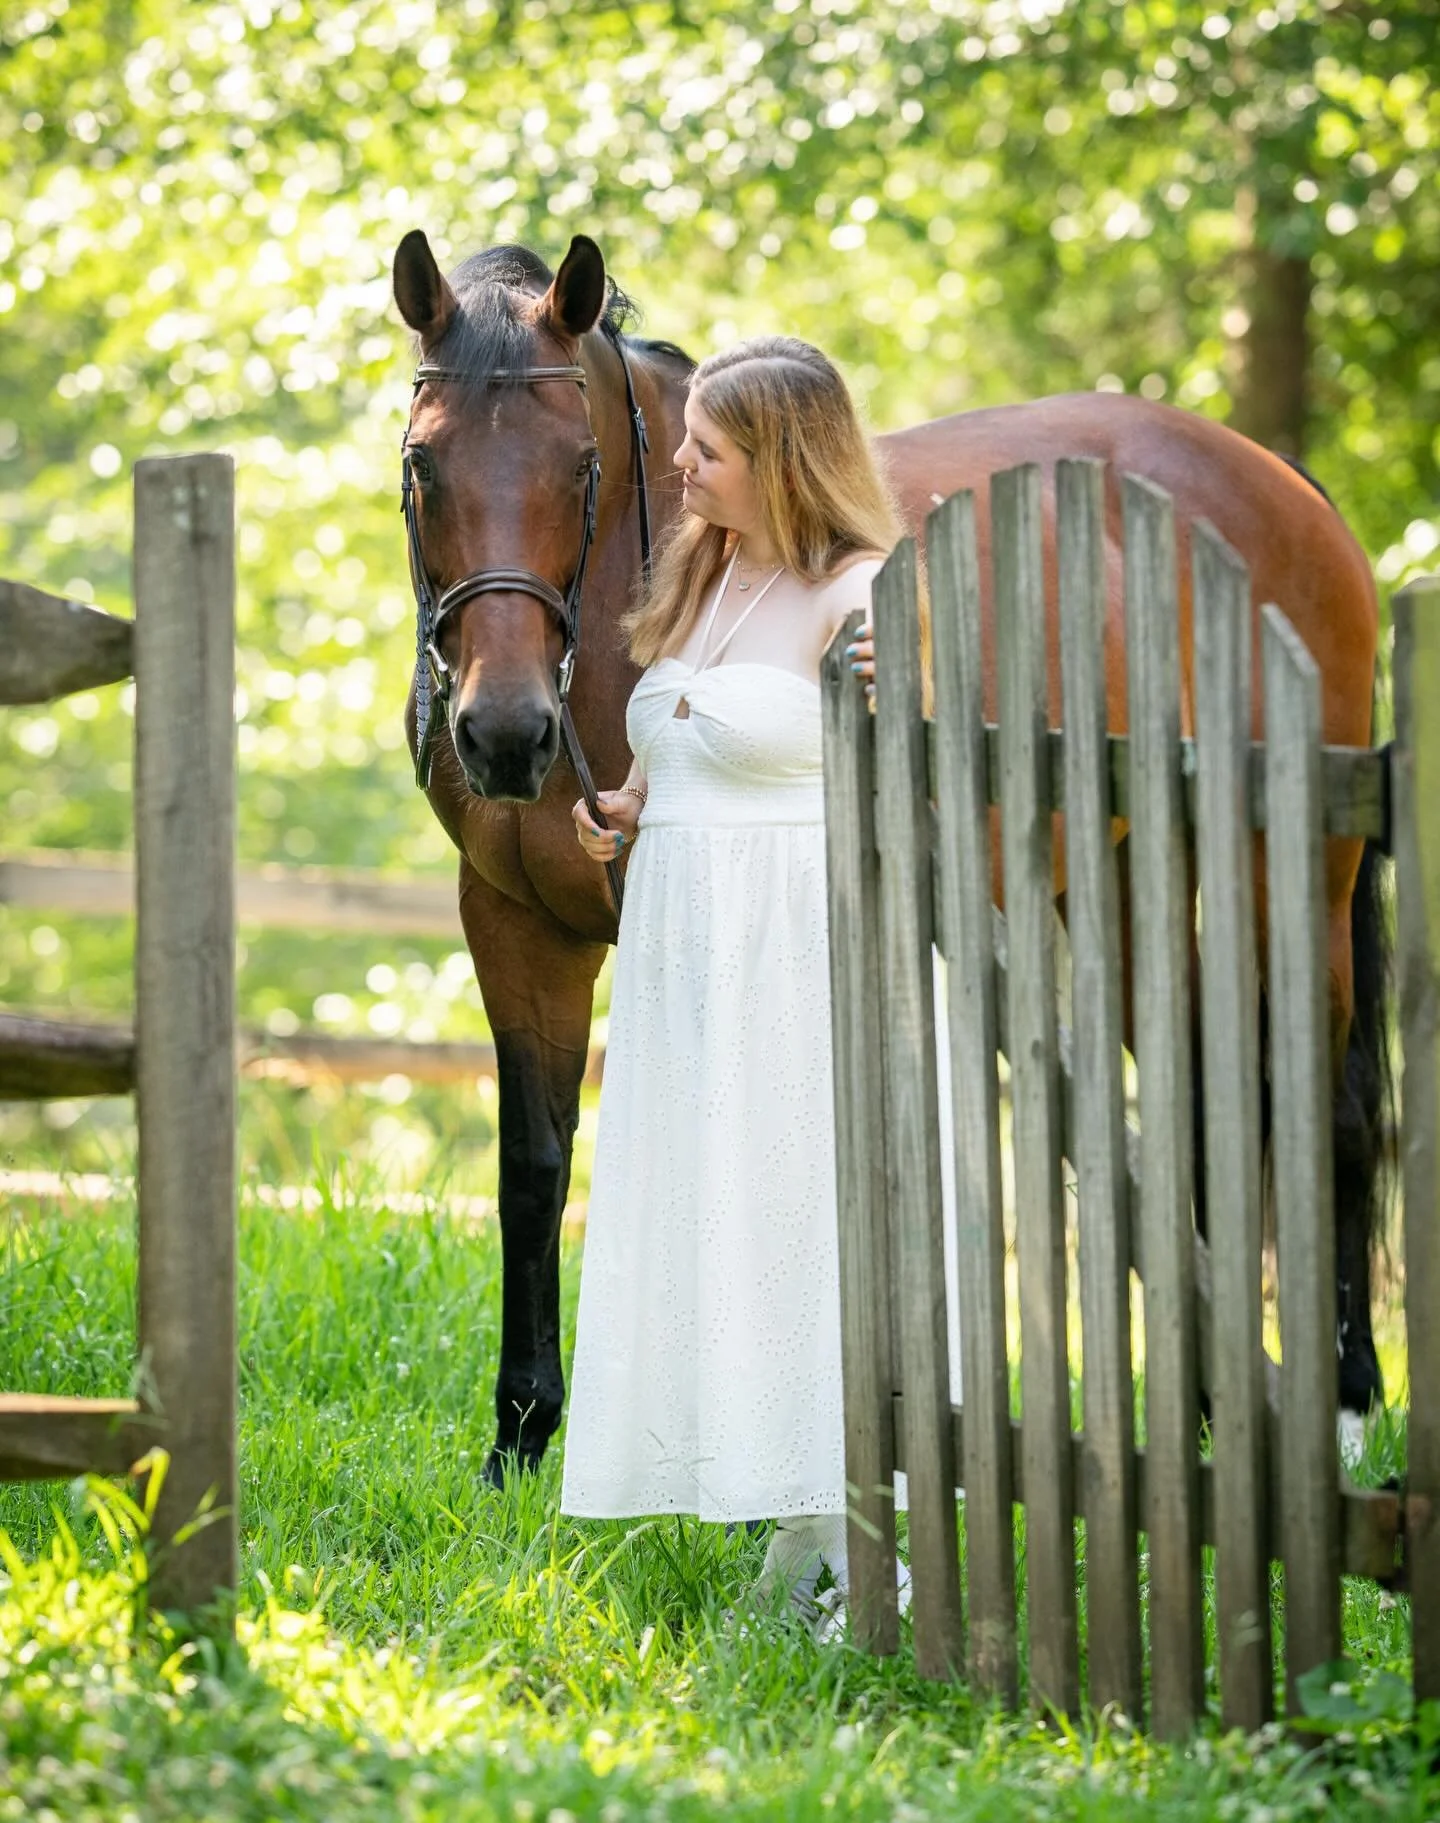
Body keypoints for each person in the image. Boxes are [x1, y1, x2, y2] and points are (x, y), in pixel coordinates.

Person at [559, 335, 898, 1631]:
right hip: (682, 949)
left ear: (787, 459)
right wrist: (625, 811)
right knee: (711, 1210)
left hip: (792, 949)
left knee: (792, 1209)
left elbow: (883, 763)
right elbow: (677, 750)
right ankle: (788, 1505)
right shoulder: (699, 579)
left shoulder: (859, 593)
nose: (683, 462)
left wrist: (899, 676)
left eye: (710, 446)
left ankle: (848, 1532)